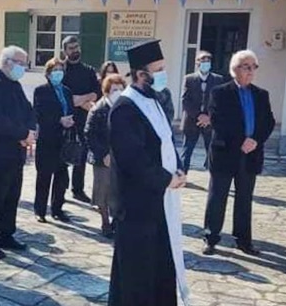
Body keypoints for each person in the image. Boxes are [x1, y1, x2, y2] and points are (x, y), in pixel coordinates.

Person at [108, 39, 190, 306]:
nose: (164, 74)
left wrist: (179, 169)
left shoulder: (155, 101)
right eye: (159, 69)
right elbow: (133, 159)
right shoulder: (125, 108)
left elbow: (166, 141)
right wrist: (167, 179)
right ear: (141, 75)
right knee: (137, 277)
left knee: (160, 269)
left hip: (159, 203)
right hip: (137, 208)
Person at [202, 50, 275, 257]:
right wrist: (240, 141)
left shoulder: (261, 94)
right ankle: (211, 238)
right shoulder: (220, 92)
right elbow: (218, 121)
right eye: (246, 67)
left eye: (254, 67)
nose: (251, 71)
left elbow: (268, 121)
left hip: (250, 153)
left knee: (244, 199)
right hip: (225, 153)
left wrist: (255, 140)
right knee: (217, 197)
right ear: (235, 69)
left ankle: (244, 241)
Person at [0, 46, 36, 259]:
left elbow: (28, 111)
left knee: (11, 197)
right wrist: (22, 134)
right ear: (7, 62)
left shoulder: (14, 85)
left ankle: (6, 234)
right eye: (21, 63)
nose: (23, 68)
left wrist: (30, 131)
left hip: (16, 153)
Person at [32, 57, 75, 223]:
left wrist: (70, 121)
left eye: (60, 70)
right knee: (44, 176)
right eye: (55, 70)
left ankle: (57, 209)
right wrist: (58, 120)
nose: (58, 73)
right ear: (48, 73)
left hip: (64, 139)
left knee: (62, 176)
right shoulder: (41, 91)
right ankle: (40, 210)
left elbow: (70, 109)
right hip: (47, 138)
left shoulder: (67, 91)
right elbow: (39, 114)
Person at [85, 73, 127, 238]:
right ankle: (105, 222)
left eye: (120, 89)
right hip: (103, 158)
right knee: (102, 191)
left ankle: (116, 220)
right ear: (107, 91)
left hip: (121, 156)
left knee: (119, 191)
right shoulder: (98, 109)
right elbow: (89, 134)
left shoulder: (124, 107)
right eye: (114, 89)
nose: (118, 92)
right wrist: (103, 154)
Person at [61, 36, 101, 204]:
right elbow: (62, 94)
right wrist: (77, 101)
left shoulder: (89, 70)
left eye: (76, 47)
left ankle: (78, 189)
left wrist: (81, 100)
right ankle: (60, 191)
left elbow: (96, 93)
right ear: (65, 51)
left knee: (82, 154)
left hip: (85, 118)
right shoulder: (60, 70)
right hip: (65, 119)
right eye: (71, 48)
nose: (75, 50)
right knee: (62, 156)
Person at [181, 51, 225, 175]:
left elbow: (221, 101)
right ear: (197, 63)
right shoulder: (189, 79)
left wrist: (209, 117)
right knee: (187, 150)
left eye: (208, 61)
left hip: (210, 122)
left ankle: (213, 175)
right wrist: (199, 115)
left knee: (212, 150)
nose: (205, 63)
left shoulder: (218, 79)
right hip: (191, 121)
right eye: (202, 61)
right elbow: (185, 100)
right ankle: (182, 175)